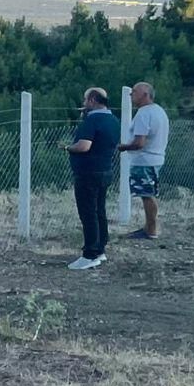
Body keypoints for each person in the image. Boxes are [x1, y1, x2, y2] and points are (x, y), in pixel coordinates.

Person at [64, 87, 121, 269]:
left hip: (88, 172)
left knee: (88, 213)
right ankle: (100, 249)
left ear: (93, 100)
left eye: (85, 99)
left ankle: (90, 254)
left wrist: (67, 147)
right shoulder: (113, 120)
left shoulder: (92, 120)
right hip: (105, 170)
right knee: (99, 211)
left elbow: (84, 146)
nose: (83, 104)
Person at [118, 81, 170, 240]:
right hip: (155, 157)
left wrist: (124, 147)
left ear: (145, 94)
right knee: (148, 193)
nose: (131, 95)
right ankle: (149, 227)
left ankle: (151, 229)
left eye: (134, 92)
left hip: (144, 160)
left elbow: (140, 142)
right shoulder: (159, 112)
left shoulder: (143, 114)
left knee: (146, 194)